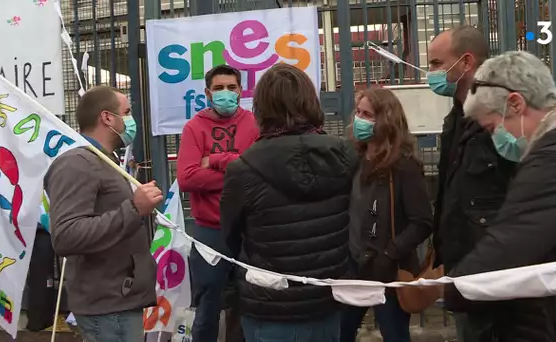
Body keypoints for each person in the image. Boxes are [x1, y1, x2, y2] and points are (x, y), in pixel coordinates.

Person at [446, 50, 556, 342]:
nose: (495, 139)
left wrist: (454, 289)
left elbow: (507, 248)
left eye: (492, 127)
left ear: (515, 103)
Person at [220, 63, 358, 342]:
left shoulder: (242, 169)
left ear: (261, 108)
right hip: (327, 298)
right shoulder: (345, 155)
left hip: (270, 305)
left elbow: (231, 239)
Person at [45, 86, 162, 342]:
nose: (132, 121)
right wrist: (134, 208)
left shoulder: (104, 160)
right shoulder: (77, 164)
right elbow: (65, 236)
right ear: (107, 117)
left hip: (119, 301)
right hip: (107, 308)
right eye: (127, 112)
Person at [426, 25, 517, 341]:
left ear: (465, 62)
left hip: (497, 275)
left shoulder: (505, 117)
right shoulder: (455, 118)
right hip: (463, 268)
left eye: (436, 64)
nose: (431, 73)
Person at [339, 88, 433, 342]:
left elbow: (422, 222)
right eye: (358, 112)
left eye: (367, 114)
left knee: (394, 335)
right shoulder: (355, 158)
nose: (359, 119)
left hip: (387, 270)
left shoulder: (404, 166)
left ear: (385, 120)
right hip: (354, 267)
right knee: (340, 333)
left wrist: (390, 253)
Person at [176, 64, 258, 341]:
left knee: (251, 303)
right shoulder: (194, 127)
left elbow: (258, 172)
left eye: (231, 88)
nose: (226, 93)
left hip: (250, 230)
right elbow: (187, 178)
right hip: (209, 232)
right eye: (219, 88)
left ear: (241, 91)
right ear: (208, 93)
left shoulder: (254, 124)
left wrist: (215, 160)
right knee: (208, 307)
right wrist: (239, 167)